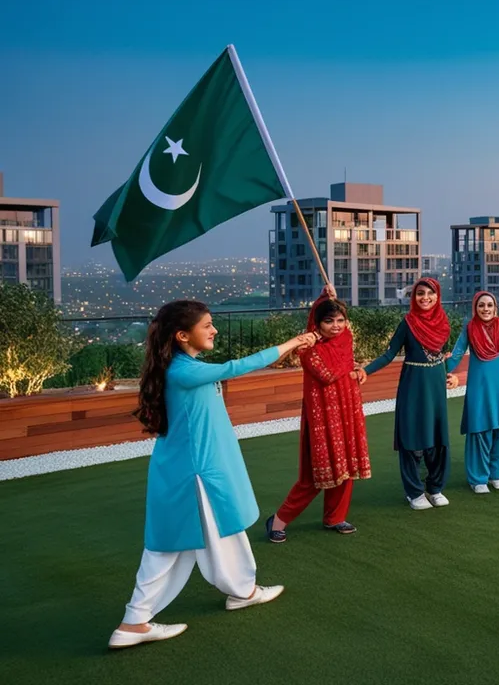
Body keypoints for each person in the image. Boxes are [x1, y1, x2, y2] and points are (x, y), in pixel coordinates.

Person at [109, 301, 317, 649]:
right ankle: (135, 622)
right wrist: (293, 343)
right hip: (193, 476)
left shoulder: (183, 367)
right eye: (206, 325)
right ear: (182, 335)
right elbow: (238, 366)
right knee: (169, 549)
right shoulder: (182, 372)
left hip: (192, 472)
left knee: (219, 533)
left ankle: (242, 591)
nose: (214, 330)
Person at [266, 284, 371, 543]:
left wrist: (357, 368)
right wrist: (351, 368)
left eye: (340, 320)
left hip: (347, 410)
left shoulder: (345, 340)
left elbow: (345, 366)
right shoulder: (309, 350)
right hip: (323, 417)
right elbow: (328, 374)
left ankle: (335, 517)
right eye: (328, 321)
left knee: (347, 468)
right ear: (317, 323)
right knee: (316, 474)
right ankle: (278, 520)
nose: (336, 326)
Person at [363, 278, 458, 510]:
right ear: (413, 297)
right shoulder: (408, 323)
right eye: (419, 293)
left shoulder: (444, 323)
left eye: (430, 293)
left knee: (437, 438)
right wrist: (364, 371)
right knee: (413, 436)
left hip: (436, 387)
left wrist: (451, 375)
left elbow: (444, 356)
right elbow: (389, 355)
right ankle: (414, 492)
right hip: (413, 385)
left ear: (438, 296)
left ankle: (435, 488)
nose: (425, 297)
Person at [447, 291, 499, 493]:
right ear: (475, 308)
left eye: (489, 305)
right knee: (479, 428)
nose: (486, 309)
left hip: (497, 385)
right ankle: (478, 479)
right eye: (481, 305)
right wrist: (440, 370)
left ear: (495, 308)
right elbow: (456, 354)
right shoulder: (469, 328)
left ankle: (496, 474)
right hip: (478, 385)